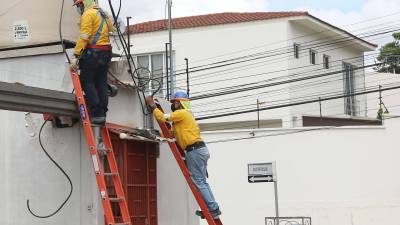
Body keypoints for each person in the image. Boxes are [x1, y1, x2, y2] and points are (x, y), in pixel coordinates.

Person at [145, 91, 222, 219]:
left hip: (195, 150)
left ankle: (213, 208)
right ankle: (212, 207)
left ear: (180, 103)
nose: (173, 104)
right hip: (198, 150)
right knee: (202, 182)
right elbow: (170, 134)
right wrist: (156, 135)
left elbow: (163, 117)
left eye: (175, 102)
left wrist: (152, 105)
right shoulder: (180, 120)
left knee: (198, 181)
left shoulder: (182, 113)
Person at [71, 0, 113, 125]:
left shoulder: (88, 14)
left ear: (84, 3)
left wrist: (76, 55)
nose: (78, 8)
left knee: (86, 81)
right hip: (106, 52)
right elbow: (111, 29)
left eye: (79, 5)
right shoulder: (104, 13)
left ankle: (96, 112)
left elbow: (84, 36)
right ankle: (102, 114)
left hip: (94, 52)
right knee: (101, 82)